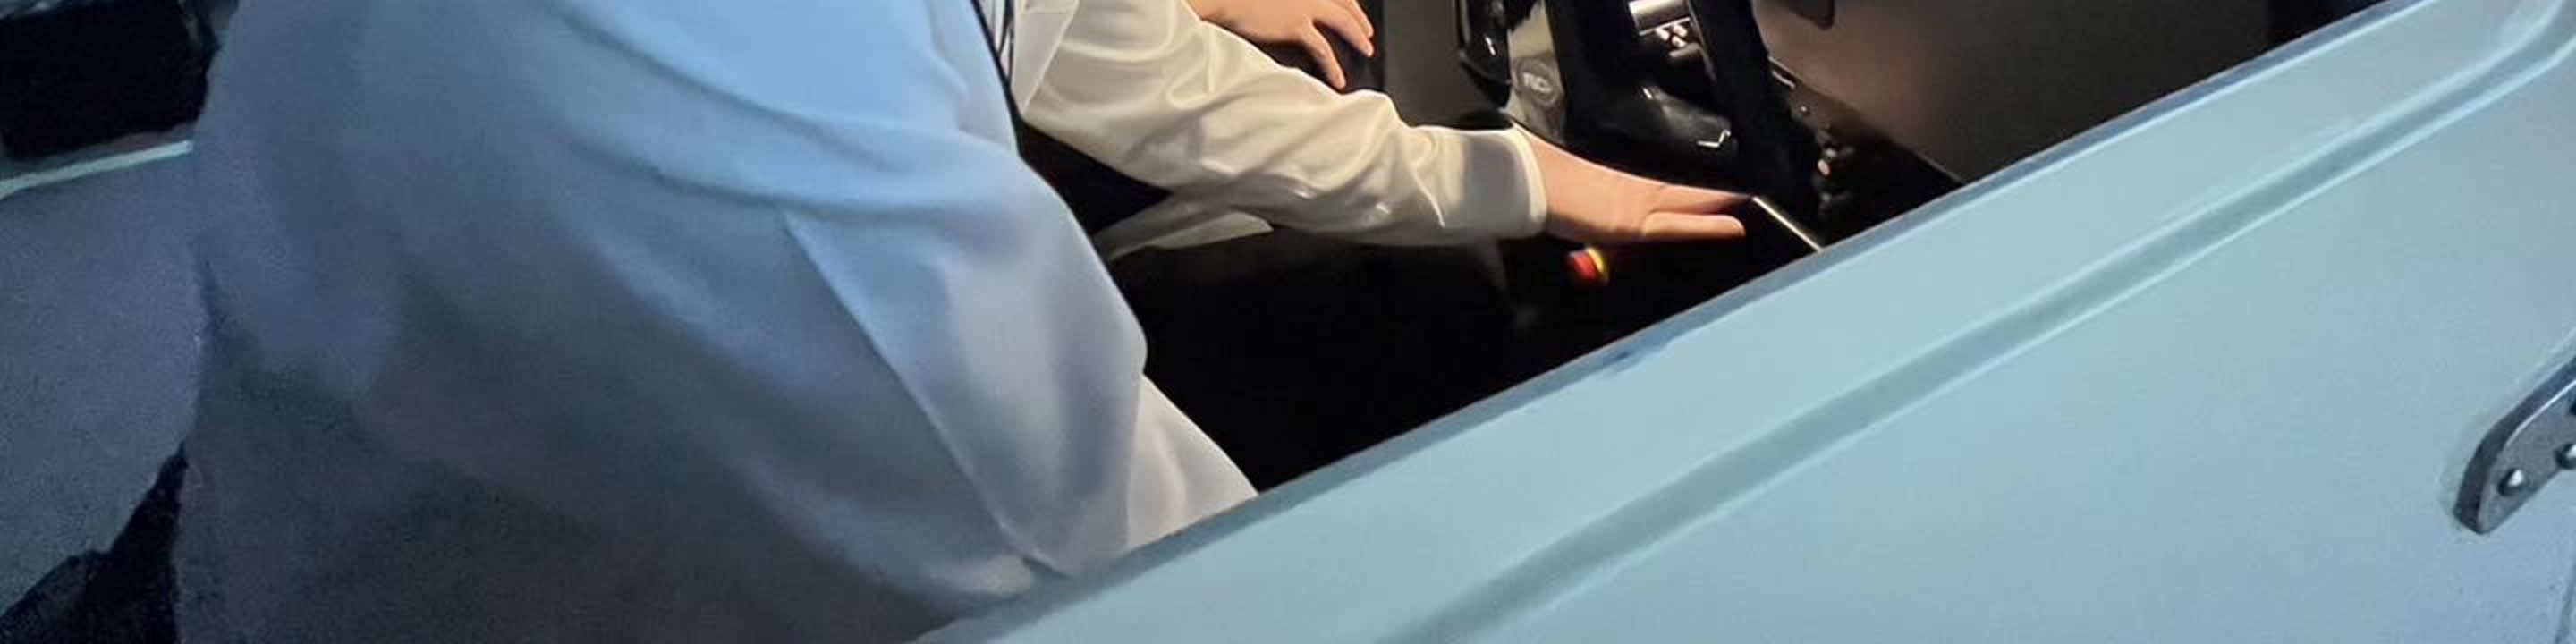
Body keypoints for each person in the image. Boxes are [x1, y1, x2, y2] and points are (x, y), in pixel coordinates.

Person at [180, 1, 1749, 642]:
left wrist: (1507, 179)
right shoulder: (733, 115)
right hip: (540, 585)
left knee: (1401, 299)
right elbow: (1157, 589)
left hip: (492, 458)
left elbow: (1083, 44)